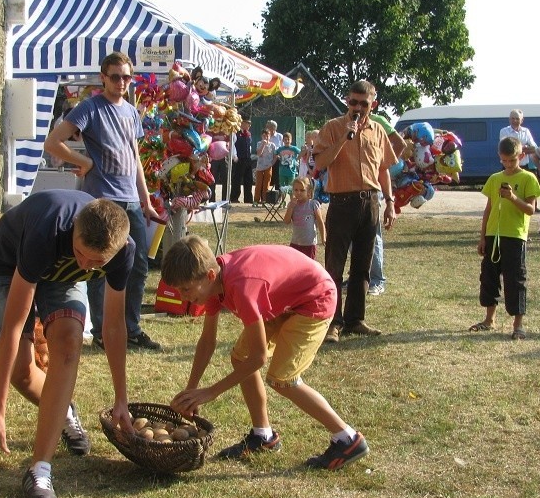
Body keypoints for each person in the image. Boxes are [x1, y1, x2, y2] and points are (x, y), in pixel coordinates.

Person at [0, 189, 135, 498]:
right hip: (10, 267)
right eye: (80, 253)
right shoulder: (47, 230)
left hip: (61, 278)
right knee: (22, 371)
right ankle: (62, 410)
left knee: (68, 345)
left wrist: (121, 398)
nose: (87, 266)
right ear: (74, 229)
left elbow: (114, 327)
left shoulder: (123, 252)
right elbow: (12, 328)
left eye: (97, 263)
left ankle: (39, 471)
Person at [163, 235, 370, 471]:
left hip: (315, 298)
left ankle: (348, 439)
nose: (183, 296)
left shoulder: (242, 287)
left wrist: (211, 392)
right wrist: (191, 391)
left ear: (209, 275)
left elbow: (258, 357)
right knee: (240, 357)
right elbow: (208, 341)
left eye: (186, 289)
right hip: (285, 299)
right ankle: (263, 437)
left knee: (283, 380)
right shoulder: (213, 284)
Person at [45, 51, 161, 351]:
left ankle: (130, 328)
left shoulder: (131, 112)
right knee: (98, 265)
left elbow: (134, 157)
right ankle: (100, 331)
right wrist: (85, 162)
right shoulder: (90, 108)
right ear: (103, 77)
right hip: (103, 200)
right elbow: (54, 142)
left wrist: (145, 199)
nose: (121, 82)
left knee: (136, 265)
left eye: (126, 77)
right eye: (115, 76)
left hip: (131, 200)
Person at [314, 80, 397, 343]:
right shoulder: (332, 128)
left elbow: (384, 169)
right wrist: (344, 137)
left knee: (363, 266)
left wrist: (390, 201)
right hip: (341, 202)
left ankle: (355, 320)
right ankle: (333, 322)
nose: (358, 108)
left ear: (374, 104)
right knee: (334, 267)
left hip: (370, 202)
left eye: (364, 103)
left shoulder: (378, 131)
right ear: (347, 102)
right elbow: (320, 163)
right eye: (353, 102)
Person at [469, 138, 540, 340]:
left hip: (515, 236)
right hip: (494, 235)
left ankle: (518, 325)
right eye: (504, 161)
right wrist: (483, 237)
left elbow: (530, 209)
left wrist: (512, 198)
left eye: (511, 160)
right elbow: (488, 209)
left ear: (521, 156)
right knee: (489, 277)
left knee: (515, 280)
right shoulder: (494, 179)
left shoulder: (528, 178)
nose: (508, 165)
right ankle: (489, 319)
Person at [366, 112, 406, 296]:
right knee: (353, 238)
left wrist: (384, 166)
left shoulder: (378, 121)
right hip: (353, 188)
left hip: (373, 187)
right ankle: (360, 277)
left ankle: (377, 279)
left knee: (373, 235)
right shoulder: (345, 123)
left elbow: (400, 144)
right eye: (351, 101)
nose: (356, 105)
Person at [500, 109, 540, 212]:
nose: (514, 121)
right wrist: (524, 148)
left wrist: (518, 149)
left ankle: (528, 207)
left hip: (523, 166)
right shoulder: (504, 131)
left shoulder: (526, 131)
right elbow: (505, 149)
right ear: (509, 119)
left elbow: (534, 148)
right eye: (512, 118)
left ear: (521, 120)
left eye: (517, 118)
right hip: (508, 166)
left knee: (524, 191)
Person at [283, 177, 325, 259]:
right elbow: (286, 221)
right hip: (295, 243)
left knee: (308, 267)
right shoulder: (292, 205)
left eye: (302, 190)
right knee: (295, 267)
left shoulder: (313, 204)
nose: (298, 192)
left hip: (309, 244)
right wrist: (291, 207)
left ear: (308, 191)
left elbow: (320, 222)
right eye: (296, 190)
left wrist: (323, 237)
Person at [232, 116, 254, 203]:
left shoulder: (248, 134)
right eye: (247, 124)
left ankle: (248, 199)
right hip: (239, 158)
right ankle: (234, 197)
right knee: (237, 179)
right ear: (242, 123)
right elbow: (232, 145)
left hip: (247, 159)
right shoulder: (236, 133)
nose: (249, 126)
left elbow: (250, 146)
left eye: (249, 124)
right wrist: (234, 156)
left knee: (249, 179)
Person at [253, 130, 274, 206]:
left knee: (266, 184)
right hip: (259, 167)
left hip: (268, 167)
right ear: (262, 136)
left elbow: (275, 155)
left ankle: (264, 200)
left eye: (267, 136)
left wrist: (272, 163)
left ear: (270, 136)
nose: (266, 137)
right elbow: (258, 153)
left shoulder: (272, 145)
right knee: (258, 184)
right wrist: (263, 145)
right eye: (264, 136)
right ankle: (256, 200)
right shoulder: (259, 143)